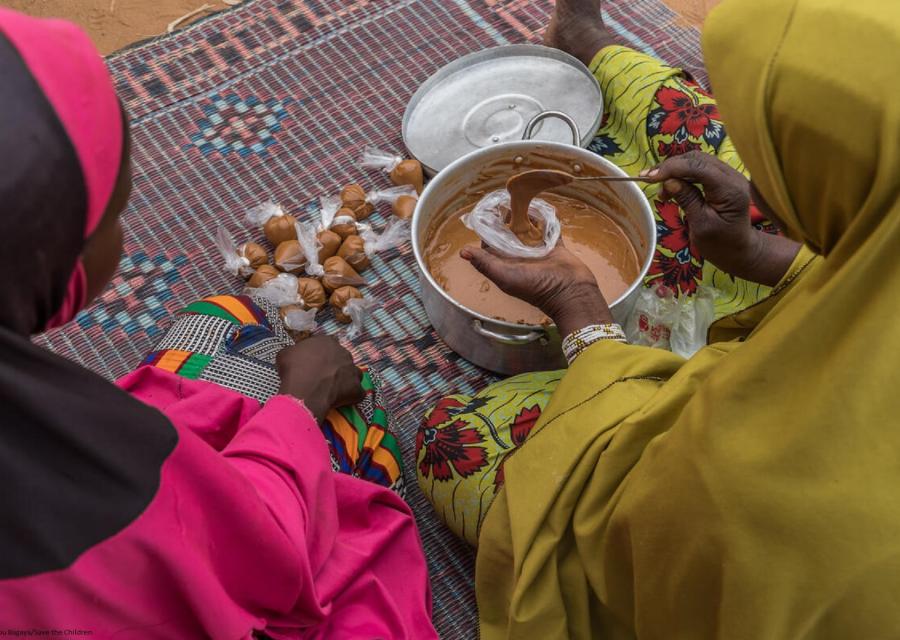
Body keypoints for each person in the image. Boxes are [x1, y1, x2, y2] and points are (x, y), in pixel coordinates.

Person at [417, 0, 900, 636]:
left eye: (781, 155)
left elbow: (635, 517)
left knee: (454, 439)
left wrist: (583, 314)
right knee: (698, 135)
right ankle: (588, 42)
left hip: (728, 528)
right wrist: (759, 252)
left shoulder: (779, 489)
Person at [0, 9, 437, 639]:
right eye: (115, 216)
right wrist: (298, 407)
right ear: (41, 250)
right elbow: (255, 556)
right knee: (361, 437)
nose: (124, 238)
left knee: (222, 320)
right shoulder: (92, 506)